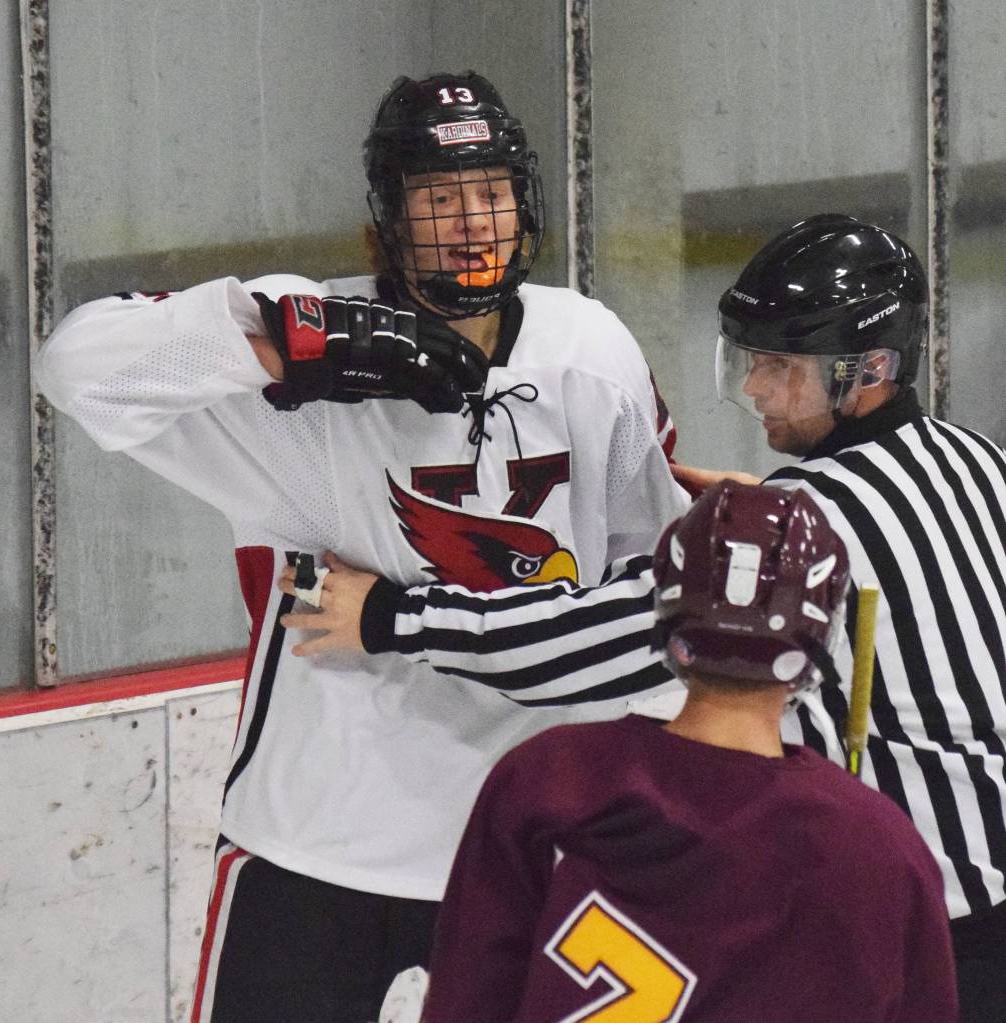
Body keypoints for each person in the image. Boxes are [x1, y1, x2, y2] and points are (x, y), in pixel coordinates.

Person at [34, 71, 689, 1023]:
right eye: (439, 197)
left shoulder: (589, 348)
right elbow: (74, 363)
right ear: (385, 216)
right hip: (314, 840)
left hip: (527, 832)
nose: (472, 222)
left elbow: (645, 574)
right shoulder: (299, 343)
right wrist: (306, 344)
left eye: (491, 193)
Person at [291, 214, 1006, 1021]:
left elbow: (600, 639)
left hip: (933, 921)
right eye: (750, 358)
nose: (755, 388)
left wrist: (396, 616)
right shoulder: (977, 459)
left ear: (870, 367)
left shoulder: (817, 515)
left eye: (781, 366)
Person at [415, 482, 956, 1021]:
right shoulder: (881, 845)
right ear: (823, 633)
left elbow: (468, 998)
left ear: (668, 613)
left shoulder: (548, 779)